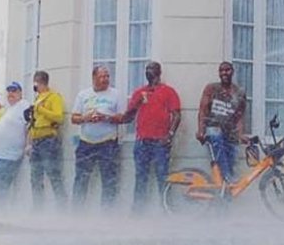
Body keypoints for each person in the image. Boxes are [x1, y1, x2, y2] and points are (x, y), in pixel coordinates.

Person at [115, 61, 181, 213]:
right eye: (147, 69)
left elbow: (177, 115)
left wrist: (170, 135)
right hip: (142, 142)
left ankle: (167, 210)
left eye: (152, 69)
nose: (149, 72)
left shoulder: (168, 91)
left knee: (162, 177)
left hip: (160, 142)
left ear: (159, 72)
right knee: (141, 178)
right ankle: (138, 212)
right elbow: (127, 118)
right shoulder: (139, 92)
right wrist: (136, 103)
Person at [70, 65, 123, 209]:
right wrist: (86, 118)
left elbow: (122, 117)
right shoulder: (83, 94)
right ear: (94, 78)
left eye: (107, 76)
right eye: (102, 76)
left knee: (109, 180)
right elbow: (74, 118)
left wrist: (106, 117)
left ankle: (107, 213)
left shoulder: (115, 94)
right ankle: (76, 212)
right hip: (86, 143)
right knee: (81, 179)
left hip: (108, 143)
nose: (105, 79)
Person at [196, 61, 248, 183]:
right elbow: (203, 110)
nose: (224, 73)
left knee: (231, 160)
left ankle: (224, 192)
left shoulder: (239, 92)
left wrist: (240, 134)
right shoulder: (211, 88)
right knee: (216, 135)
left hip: (230, 132)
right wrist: (201, 130)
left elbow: (240, 116)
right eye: (221, 70)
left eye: (227, 70)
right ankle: (228, 178)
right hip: (213, 127)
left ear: (232, 72)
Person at [0, 82, 29, 208]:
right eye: (9, 91)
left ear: (20, 93)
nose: (10, 94)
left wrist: (29, 145)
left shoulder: (24, 107)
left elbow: (30, 126)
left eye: (14, 91)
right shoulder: (11, 109)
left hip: (8, 156)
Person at [27, 70, 66, 211]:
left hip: (48, 140)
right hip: (36, 140)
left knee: (53, 174)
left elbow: (59, 117)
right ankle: (37, 208)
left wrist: (41, 109)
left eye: (36, 83)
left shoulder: (53, 97)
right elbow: (33, 122)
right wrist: (29, 143)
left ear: (40, 83)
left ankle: (62, 208)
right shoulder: (37, 98)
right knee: (35, 177)